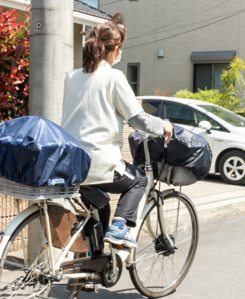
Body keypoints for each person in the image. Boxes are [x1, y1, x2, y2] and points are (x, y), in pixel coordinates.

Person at [62, 14, 172, 248]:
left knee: (100, 206)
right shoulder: (113, 77)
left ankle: (94, 268)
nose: (121, 53)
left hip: (71, 165)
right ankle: (121, 227)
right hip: (99, 164)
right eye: (120, 48)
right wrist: (163, 126)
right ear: (113, 50)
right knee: (139, 181)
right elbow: (138, 120)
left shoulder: (71, 77)